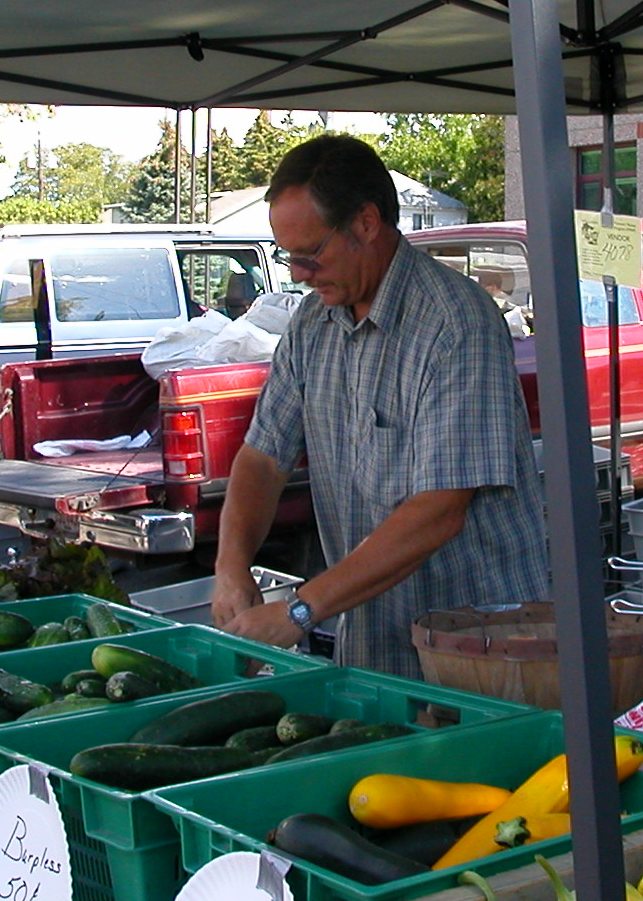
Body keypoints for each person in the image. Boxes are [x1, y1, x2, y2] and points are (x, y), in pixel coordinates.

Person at [211, 134, 550, 677]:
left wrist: (299, 610)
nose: (297, 273)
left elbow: (439, 508)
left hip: (477, 644)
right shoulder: (311, 324)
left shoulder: (455, 323)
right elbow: (263, 457)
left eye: (310, 253)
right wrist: (232, 566)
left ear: (367, 223)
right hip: (372, 633)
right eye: (288, 256)